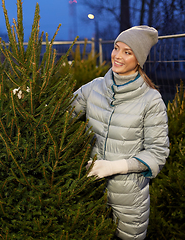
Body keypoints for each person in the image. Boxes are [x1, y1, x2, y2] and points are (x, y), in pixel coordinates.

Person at [72, 26, 169, 240]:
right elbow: (60, 113)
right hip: (91, 191)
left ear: (139, 60)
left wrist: (115, 167)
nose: (117, 56)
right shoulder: (94, 88)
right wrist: (30, 98)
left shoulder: (151, 101)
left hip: (129, 199)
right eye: (116, 48)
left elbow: (157, 153)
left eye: (127, 52)